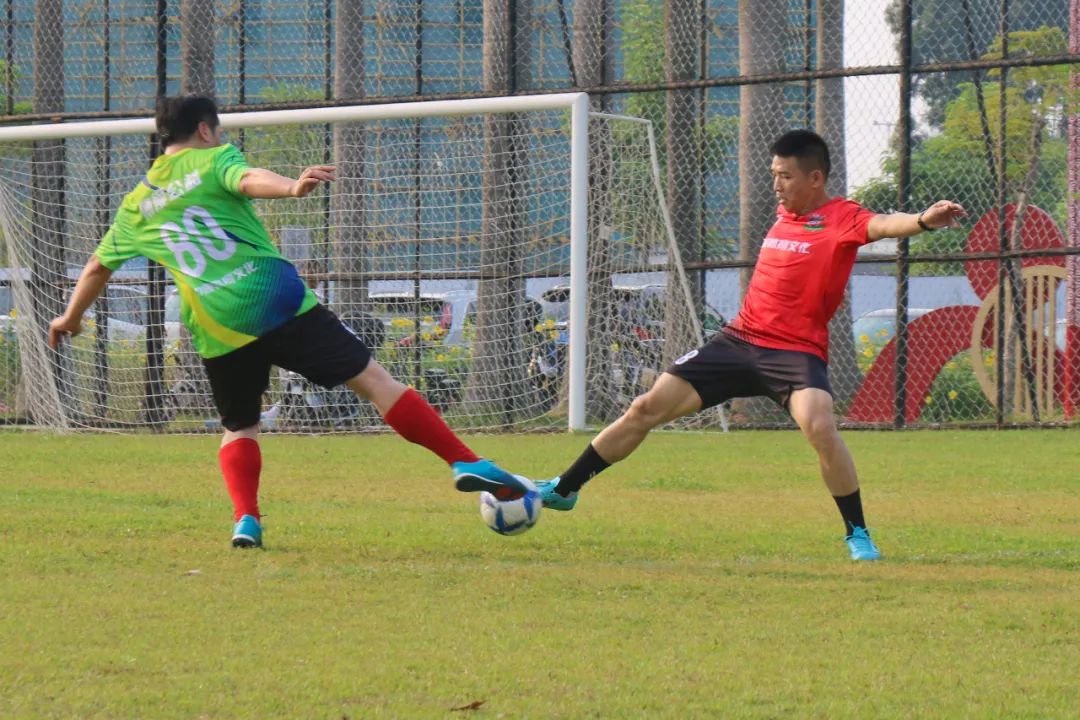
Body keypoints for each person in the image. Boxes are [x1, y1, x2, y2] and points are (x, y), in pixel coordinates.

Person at [48, 94, 530, 548]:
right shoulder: (213, 159)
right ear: (203, 129)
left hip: (216, 322)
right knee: (375, 381)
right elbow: (249, 178)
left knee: (240, 425)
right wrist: (292, 188)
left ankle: (247, 519)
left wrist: (71, 318)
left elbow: (96, 267)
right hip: (273, 296)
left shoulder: (137, 203)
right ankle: (465, 461)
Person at [537, 129, 967, 561]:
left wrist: (924, 220)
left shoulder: (842, 217)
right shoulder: (784, 214)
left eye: (785, 176)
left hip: (795, 353)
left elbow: (883, 224)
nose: (776, 184)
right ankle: (564, 489)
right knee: (644, 408)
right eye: (773, 174)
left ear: (815, 178)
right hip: (738, 341)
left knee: (819, 425)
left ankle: (857, 533)